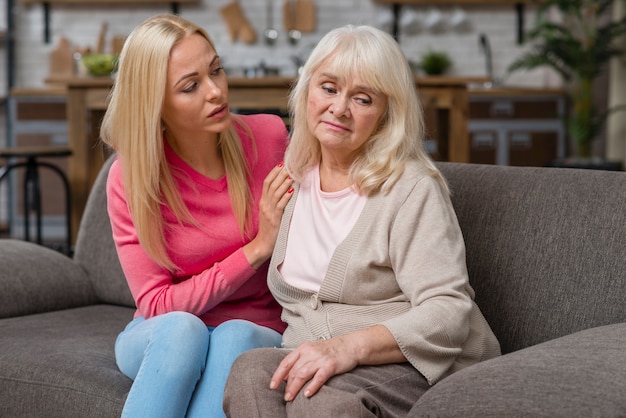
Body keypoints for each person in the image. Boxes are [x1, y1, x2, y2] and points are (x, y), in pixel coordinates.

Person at [223, 24, 501, 417]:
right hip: (324, 359)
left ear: (387, 114)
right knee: (250, 372)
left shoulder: (410, 188)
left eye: (363, 98)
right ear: (306, 91)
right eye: (329, 88)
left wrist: (345, 349)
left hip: (419, 364)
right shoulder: (292, 177)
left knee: (320, 402)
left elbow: (448, 310)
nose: (339, 108)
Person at [99, 14, 293, 418]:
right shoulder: (131, 176)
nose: (216, 91)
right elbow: (157, 304)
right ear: (155, 105)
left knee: (233, 335)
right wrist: (257, 249)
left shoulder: (271, 138)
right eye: (191, 86)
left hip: (254, 329)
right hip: (163, 333)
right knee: (183, 328)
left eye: (217, 70)